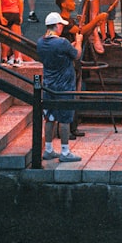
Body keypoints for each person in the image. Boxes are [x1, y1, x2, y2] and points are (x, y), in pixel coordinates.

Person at [37, 12, 83, 162]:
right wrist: (79, 41)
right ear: (57, 26)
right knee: (64, 120)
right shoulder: (62, 42)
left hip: (48, 86)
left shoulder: (40, 42)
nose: (62, 28)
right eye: (61, 25)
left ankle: (49, 149)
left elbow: (62, 52)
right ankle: (65, 151)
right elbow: (76, 55)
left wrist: (70, 46)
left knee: (49, 118)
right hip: (64, 86)